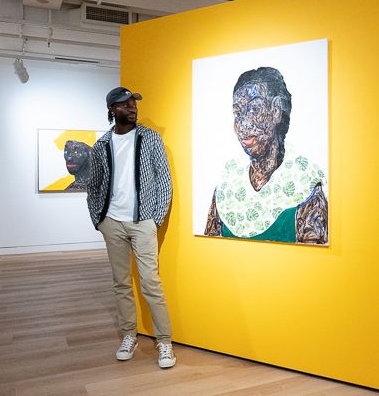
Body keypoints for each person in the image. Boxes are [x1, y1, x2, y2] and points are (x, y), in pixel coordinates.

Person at [86, 86, 175, 367]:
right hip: (112, 223)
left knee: (151, 282)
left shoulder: (150, 138)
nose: (133, 108)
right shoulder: (102, 145)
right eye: (125, 104)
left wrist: (155, 218)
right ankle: (128, 335)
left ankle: (164, 343)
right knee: (121, 284)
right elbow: (94, 184)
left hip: (142, 222)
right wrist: (99, 220)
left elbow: (164, 180)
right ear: (112, 110)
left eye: (133, 103)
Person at [204, 67, 328, 244]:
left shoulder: (304, 184)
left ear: (276, 111)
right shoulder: (228, 184)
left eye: (254, 109)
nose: (243, 124)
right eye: (237, 112)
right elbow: (209, 248)